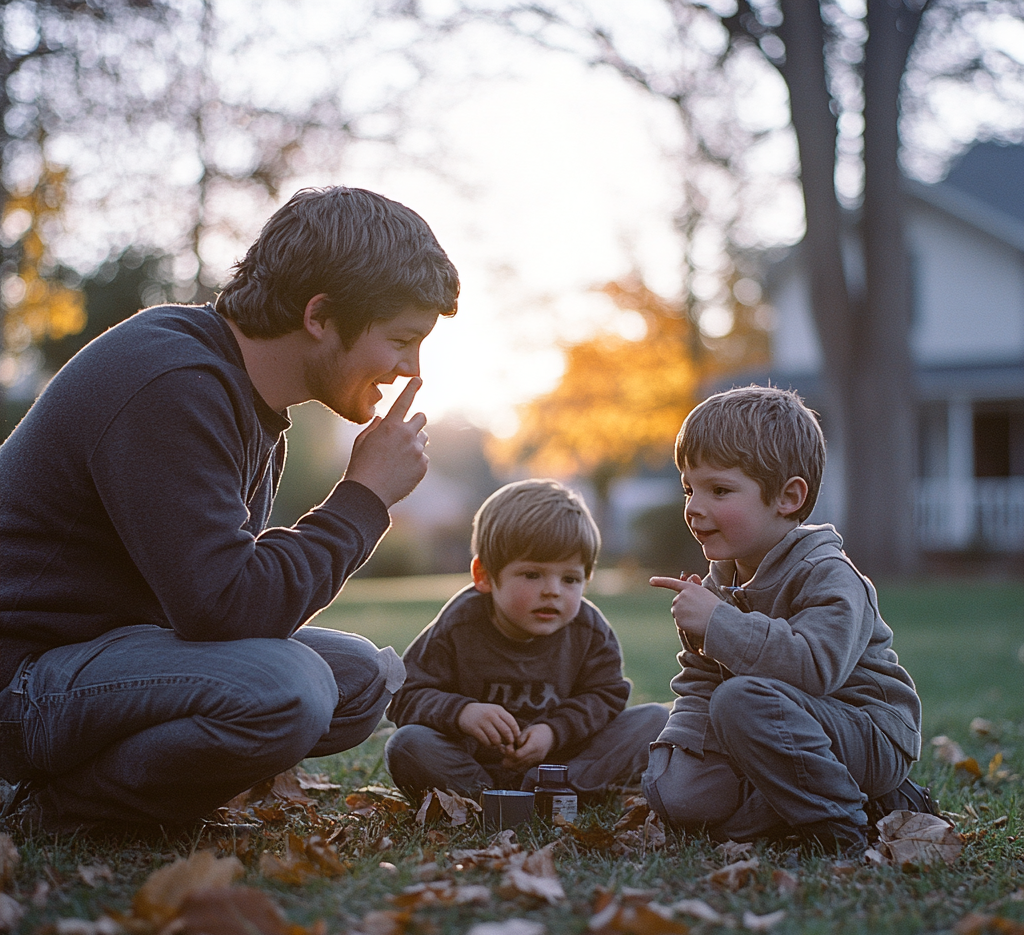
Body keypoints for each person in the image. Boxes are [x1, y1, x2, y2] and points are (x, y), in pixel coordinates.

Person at [0, 186, 459, 833]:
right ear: (320, 316)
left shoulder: (252, 408)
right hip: (21, 678)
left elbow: (233, 598)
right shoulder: (173, 380)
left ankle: (103, 784)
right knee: (290, 688)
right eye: (402, 340)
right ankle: (60, 811)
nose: (410, 368)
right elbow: (222, 607)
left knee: (362, 680)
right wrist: (363, 497)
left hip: (105, 655)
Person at [642, 386, 925, 857]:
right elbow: (702, 682)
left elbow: (816, 668)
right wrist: (684, 756)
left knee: (741, 700)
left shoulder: (828, 574)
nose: (694, 506)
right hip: (771, 728)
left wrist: (719, 626)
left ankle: (843, 823)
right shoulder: (721, 582)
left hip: (867, 733)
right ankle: (801, 804)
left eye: (719, 490)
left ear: (788, 497)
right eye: (690, 488)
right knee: (684, 796)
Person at [385, 478, 669, 802]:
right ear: (484, 576)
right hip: (473, 764)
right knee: (408, 745)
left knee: (657, 720)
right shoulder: (458, 626)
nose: (553, 590)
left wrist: (554, 732)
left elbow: (606, 696)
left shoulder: (588, 631)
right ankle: (491, 799)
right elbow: (405, 696)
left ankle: (554, 792)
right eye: (532, 574)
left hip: (561, 764)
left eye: (570, 578)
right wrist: (462, 712)